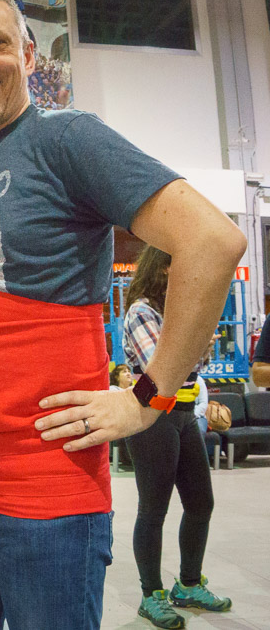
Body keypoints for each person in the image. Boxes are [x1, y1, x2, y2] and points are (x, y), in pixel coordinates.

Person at [0, 0, 246, 630]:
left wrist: (148, 397)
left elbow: (212, 241)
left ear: (29, 55)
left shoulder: (68, 140)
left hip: (47, 499)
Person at [123, 246, 232, 628]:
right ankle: (150, 594)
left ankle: (188, 584)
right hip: (152, 416)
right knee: (153, 509)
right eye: (179, 268)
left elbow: (196, 363)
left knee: (201, 503)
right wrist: (196, 338)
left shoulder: (174, 314)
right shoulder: (141, 312)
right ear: (163, 270)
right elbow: (165, 367)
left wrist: (196, 335)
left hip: (184, 416)